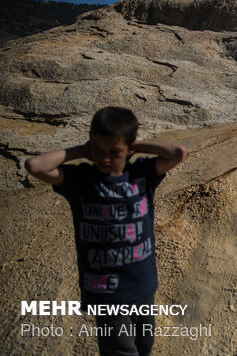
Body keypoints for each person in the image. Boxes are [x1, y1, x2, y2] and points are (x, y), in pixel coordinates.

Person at [25, 106, 187, 356]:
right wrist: (81, 151)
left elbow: (178, 153)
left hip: (141, 285)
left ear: (129, 149)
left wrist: (137, 146)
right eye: (98, 149)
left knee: (145, 345)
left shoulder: (140, 174)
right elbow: (35, 165)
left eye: (114, 152)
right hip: (106, 294)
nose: (104, 157)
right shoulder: (81, 181)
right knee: (121, 350)